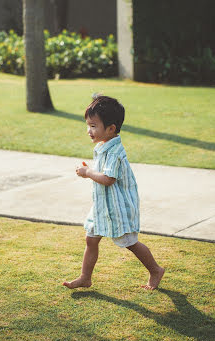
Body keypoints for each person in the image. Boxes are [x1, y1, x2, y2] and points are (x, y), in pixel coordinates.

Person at [63, 95, 165, 291]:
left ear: (110, 129)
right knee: (91, 238)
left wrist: (88, 172)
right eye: (88, 125)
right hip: (102, 205)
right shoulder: (103, 146)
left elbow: (109, 179)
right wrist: (89, 170)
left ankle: (155, 270)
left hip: (118, 206)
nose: (89, 130)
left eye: (93, 126)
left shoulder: (115, 152)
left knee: (129, 242)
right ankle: (85, 277)